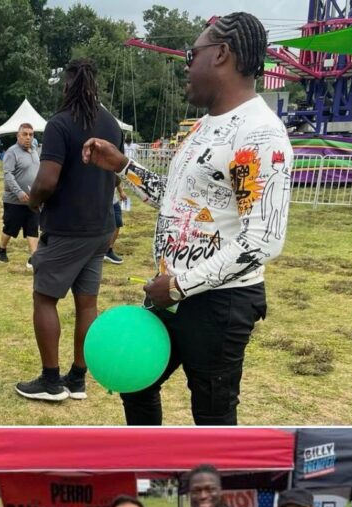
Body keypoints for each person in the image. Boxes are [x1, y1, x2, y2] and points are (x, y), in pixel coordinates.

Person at [82, 12, 293, 425]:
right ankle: (148, 466)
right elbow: (178, 201)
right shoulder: (201, 127)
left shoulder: (259, 133)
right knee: (137, 383)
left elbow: (263, 238)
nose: (185, 64)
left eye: (191, 53)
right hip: (171, 292)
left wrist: (179, 286)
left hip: (219, 303)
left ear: (221, 55)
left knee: (212, 414)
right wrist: (123, 165)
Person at [16, 58, 123, 403]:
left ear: (67, 85)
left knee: (44, 298)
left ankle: (50, 381)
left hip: (66, 229)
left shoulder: (60, 124)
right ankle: (78, 378)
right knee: (86, 304)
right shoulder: (111, 124)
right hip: (100, 229)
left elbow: (47, 180)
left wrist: (33, 202)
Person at [0, 123, 40, 271]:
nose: (28, 137)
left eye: (31, 134)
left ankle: (34, 257)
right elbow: (8, 175)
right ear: (18, 136)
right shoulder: (11, 152)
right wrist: (19, 192)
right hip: (14, 200)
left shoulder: (34, 151)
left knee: (33, 227)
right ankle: (1, 249)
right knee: (10, 228)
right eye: (25, 134)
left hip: (32, 200)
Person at [104, 176, 128, 265]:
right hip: (100, 202)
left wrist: (121, 191)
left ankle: (108, 251)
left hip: (113, 201)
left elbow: (116, 179)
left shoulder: (111, 165)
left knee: (117, 223)